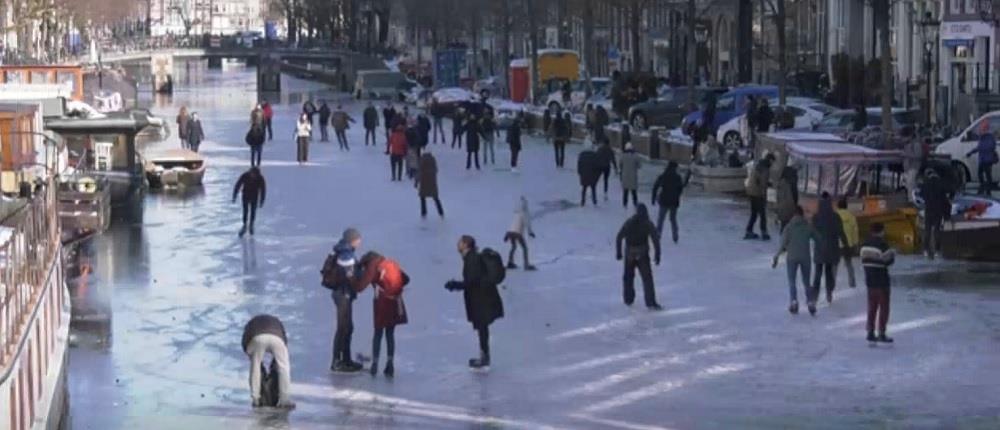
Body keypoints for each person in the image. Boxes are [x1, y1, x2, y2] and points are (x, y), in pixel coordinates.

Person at [445, 235, 505, 369]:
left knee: (482, 327)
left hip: (481, 299)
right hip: (483, 297)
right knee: (482, 327)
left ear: (466, 244)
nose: (457, 245)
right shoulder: (471, 257)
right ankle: (484, 355)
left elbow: (471, 281)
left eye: (459, 242)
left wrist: (454, 285)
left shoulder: (471, 259)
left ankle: (484, 357)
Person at [353, 252, 409, 377]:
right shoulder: (389, 263)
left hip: (382, 303)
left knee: (378, 333)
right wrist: (394, 287)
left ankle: (375, 365)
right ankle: (390, 364)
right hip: (394, 301)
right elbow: (406, 279)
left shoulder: (372, 268)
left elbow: (360, 287)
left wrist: (354, 280)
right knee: (390, 333)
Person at [323, 228, 365, 372]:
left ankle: (345, 359)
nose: (360, 241)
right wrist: (360, 280)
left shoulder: (343, 250)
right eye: (358, 238)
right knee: (343, 328)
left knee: (348, 327)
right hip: (343, 295)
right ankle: (337, 361)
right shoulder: (346, 255)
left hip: (342, 293)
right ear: (352, 239)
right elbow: (350, 276)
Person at [772, 206, 819, 315]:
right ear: (802, 215)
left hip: (792, 257)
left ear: (793, 215)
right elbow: (818, 238)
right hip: (805, 257)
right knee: (806, 281)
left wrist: (776, 256)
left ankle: (794, 302)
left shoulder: (789, 227)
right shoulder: (808, 226)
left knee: (792, 281)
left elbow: (783, 243)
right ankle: (810, 302)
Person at [616, 204, 663, 310]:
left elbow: (619, 236)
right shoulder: (648, 223)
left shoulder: (630, 222)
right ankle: (650, 302)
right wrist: (657, 254)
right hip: (642, 253)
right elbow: (655, 239)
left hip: (629, 253)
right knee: (647, 278)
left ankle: (628, 299)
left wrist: (618, 253)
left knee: (628, 276)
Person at [241, 314, 294, 408]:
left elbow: (245, 341)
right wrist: (276, 361)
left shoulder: (251, 323)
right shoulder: (277, 321)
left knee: (255, 367)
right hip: (277, 338)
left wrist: (251, 356)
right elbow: (284, 339)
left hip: (257, 338)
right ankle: (285, 399)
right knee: (284, 368)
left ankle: (255, 399)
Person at [861, 222, 896, 343]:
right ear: (881, 231)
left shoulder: (864, 245)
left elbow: (864, 260)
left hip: (869, 281)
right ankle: (881, 332)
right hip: (882, 281)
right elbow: (888, 261)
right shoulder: (883, 245)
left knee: (872, 307)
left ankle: (870, 331)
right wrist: (892, 253)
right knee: (884, 307)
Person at [813, 193, 849, 305]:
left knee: (818, 273)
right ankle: (829, 292)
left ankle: (815, 296)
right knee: (829, 272)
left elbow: (812, 232)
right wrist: (846, 245)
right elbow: (841, 232)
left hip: (819, 249)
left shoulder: (816, 217)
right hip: (832, 248)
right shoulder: (836, 217)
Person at [920, 168, 951, 260]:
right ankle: (937, 250)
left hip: (929, 209)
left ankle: (926, 250)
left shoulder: (925, 184)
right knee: (937, 230)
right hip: (938, 209)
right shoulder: (941, 183)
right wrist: (947, 215)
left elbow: (922, 195)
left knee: (927, 230)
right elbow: (946, 198)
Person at [651, 161, 686, 243]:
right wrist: (677, 195)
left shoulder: (663, 176)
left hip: (664, 200)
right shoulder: (678, 177)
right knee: (673, 219)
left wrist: (653, 198)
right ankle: (675, 235)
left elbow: (655, 186)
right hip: (674, 201)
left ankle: (658, 234)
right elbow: (680, 189)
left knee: (661, 219)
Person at [744, 154, 773, 240]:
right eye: (772, 161)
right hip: (758, 194)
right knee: (762, 214)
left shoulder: (758, 165)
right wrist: (764, 196)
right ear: (770, 160)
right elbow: (762, 184)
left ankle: (749, 230)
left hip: (751, 192)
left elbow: (757, 179)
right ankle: (764, 232)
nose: (772, 163)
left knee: (754, 213)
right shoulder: (765, 169)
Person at [232, 166, 266, 237]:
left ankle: (251, 224)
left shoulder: (260, 178)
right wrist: (234, 195)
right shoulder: (245, 175)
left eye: (255, 175)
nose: (253, 176)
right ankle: (245, 224)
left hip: (254, 196)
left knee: (253, 210)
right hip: (245, 195)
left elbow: (263, 190)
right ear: (250, 173)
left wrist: (262, 200)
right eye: (253, 175)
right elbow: (238, 185)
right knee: (245, 210)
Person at [504, 197, 536, 270]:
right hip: (518, 233)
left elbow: (512, 225)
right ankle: (526, 265)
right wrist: (530, 232)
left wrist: (506, 235)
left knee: (513, 247)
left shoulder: (516, 213)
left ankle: (510, 262)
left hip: (510, 232)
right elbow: (527, 224)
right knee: (525, 248)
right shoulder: (524, 214)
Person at [966, 122, 998, 196]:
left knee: (983, 174)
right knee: (987, 174)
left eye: (982, 129)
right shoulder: (990, 137)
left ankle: (985, 189)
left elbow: (979, 148)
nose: (981, 131)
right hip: (987, 159)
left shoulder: (984, 138)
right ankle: (987, 189)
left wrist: (970, 153)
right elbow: (992, 146)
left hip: (984, 159)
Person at [836, 197, 860, 288]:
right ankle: (852, 283)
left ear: (838, 207)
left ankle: (832, 283)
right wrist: (856, 244)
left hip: (837, 244)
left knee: (834, 265)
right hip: (848, 244)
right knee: (849, 264)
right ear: (846, 207)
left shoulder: (835, 216)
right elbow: (855, 231)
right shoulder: (851, 217)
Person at [417, 150, 445, 218]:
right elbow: (436, 169)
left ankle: (424, 212)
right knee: (435, 197)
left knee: (422, 198)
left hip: (424, 182)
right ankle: (441, 212)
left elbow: (419, 171)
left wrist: (416, 181)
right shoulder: (433, 159)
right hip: (432, 182)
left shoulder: (422, 159)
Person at [774, 167, 799, 231]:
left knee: (784, 226)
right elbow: (791, 198)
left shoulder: (781, 183)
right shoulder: (789, 184)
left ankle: (784, 239)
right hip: (788, 208)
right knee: (788, 228)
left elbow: (778, 198)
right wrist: (794, 209)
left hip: (782, 208)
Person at [902, 127, 924, 195]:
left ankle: (912, 201)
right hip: (908, 168)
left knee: (911, 185)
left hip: (914, 168)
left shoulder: (916, 144)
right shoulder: (907, 144)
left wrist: (906, 154)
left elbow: (919, 155)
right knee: (908, 185)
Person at [620, 143, 641, 208]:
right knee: (634, 192)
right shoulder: (636, 156)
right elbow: (639, 166)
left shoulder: (622, 156)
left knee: (625, 191)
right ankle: (635, 203)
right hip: (633, 176)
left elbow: (620, 165)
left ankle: (625, 204)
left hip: (625, 176)